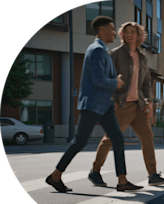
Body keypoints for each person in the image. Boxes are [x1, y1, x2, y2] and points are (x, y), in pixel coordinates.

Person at [46, 16, 142, 192]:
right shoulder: (96, 50)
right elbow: (98, 79)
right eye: (112, 29)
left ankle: (122, 180)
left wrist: (115, 80)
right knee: (79, 142)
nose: (115, 33)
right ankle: (55, 175)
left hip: (104, 105)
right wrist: (116, 83)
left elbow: (103, 77)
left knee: (118, 139)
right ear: (103, 30)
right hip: (92, 104)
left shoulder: (102, 50)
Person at [88, 22, 164, 187]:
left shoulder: (141, 57)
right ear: (122, 35)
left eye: (133, 32)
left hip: (138, 105)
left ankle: (153, 175)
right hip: (121, 105)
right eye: (126, 32)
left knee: (147, 138)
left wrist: (149, 102)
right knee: (109, 140)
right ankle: (95, 171)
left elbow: (147, 82)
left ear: (139, 35)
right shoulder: (115, 54)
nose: (129, 35)